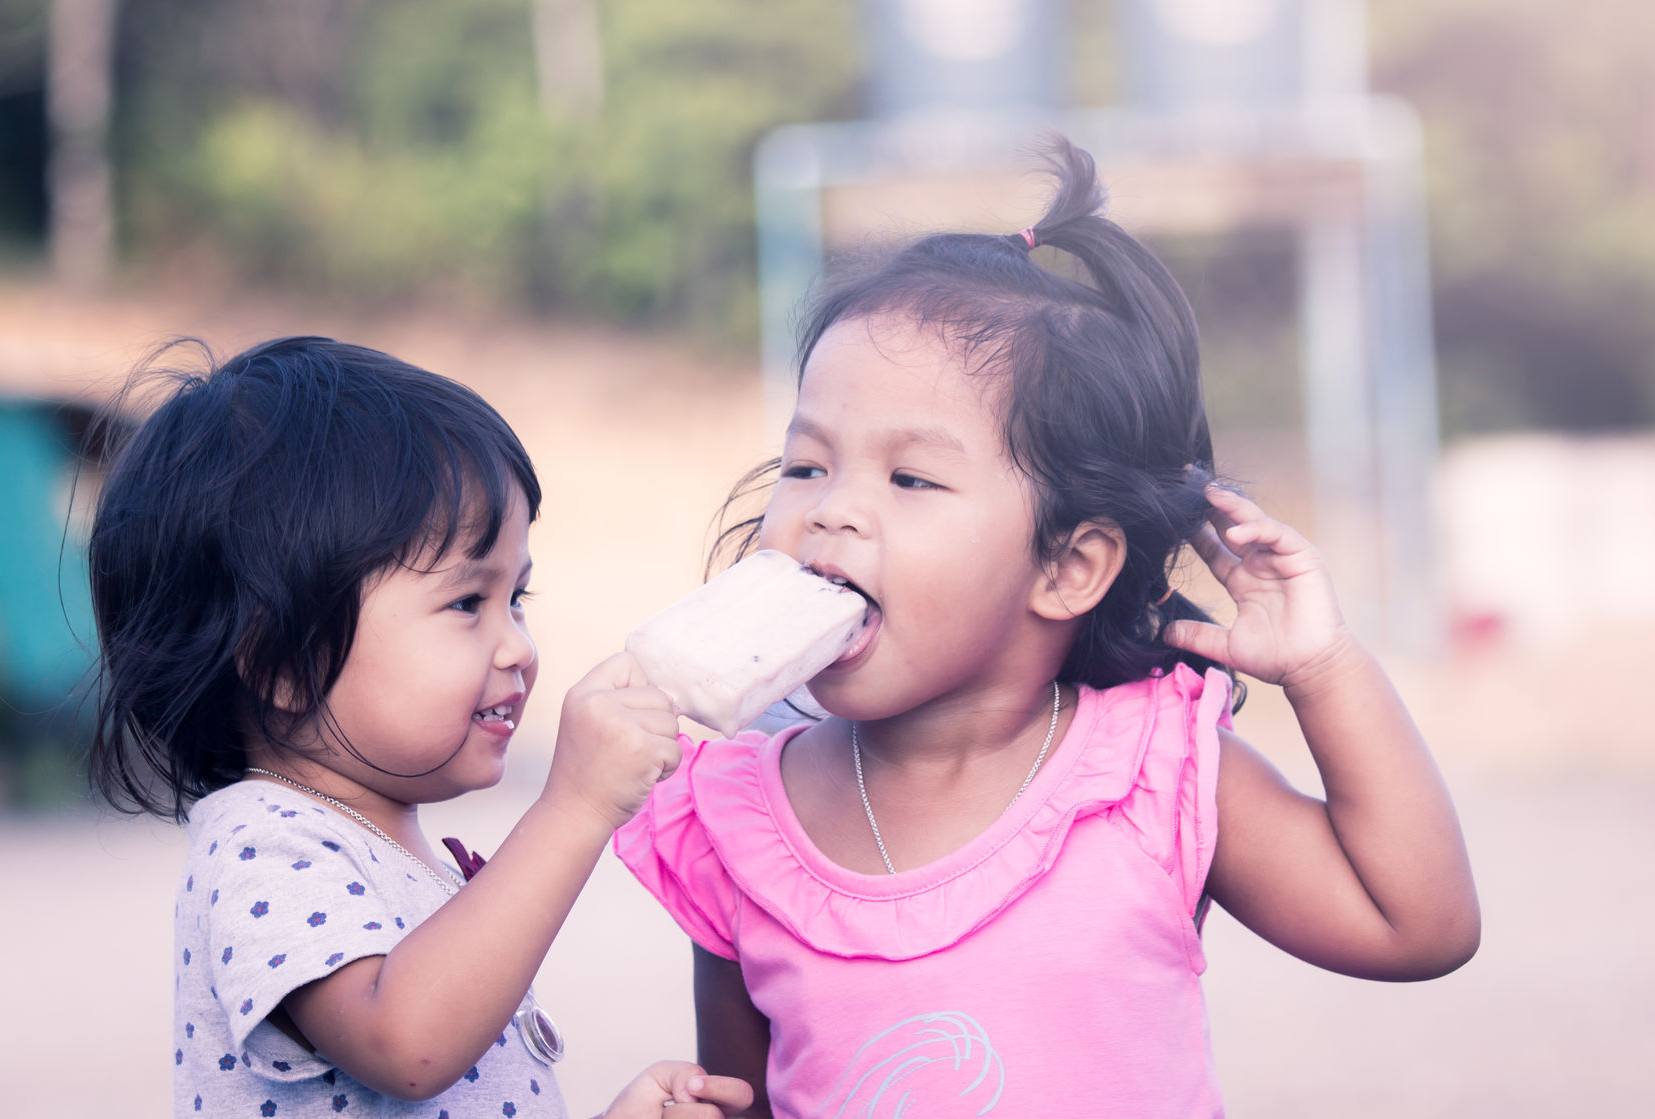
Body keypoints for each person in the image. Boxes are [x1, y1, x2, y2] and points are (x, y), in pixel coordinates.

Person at [614, 138, 1480, 1117]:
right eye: (808, 465)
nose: (831, 510)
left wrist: (1321, 667)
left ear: (1066, 568)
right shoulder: (735, 821)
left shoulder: (1149, 775)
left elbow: (1418, 926)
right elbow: (755, 1098)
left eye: (910, 479)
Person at [86, 337, 753, 1118]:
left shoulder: (382, 846)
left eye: (518, 599)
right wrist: (573, 805)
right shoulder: (263, 843)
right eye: (468, 602)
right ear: (280, 663)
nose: (518, 647)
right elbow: (410, 1043)